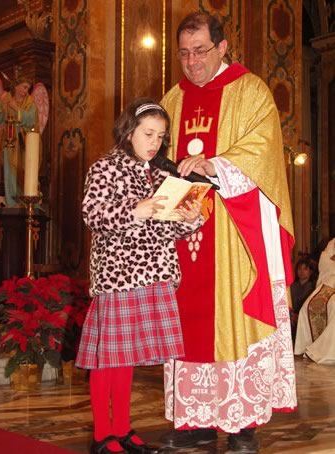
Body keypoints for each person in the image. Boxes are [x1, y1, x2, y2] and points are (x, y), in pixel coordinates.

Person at [160, 11, 297, 454]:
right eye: (183, 53)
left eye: (200, 51)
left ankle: (240, 427)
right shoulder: (172, 100)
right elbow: (152, 153)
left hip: (232, 236)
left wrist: (212, 165)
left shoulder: (251, 91)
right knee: (185, 324)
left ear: (222, 47)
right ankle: (197, 422)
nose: (192, 62)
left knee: (232, 318)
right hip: (184, 236)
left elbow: (262, 151)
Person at [75, 98, 203, 454]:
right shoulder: (106, 167)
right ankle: (103, 435)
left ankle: (123, 428)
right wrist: (136, 209)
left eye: (160, 137)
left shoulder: (162, 173)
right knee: (109, 357)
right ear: (128, 130)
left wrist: (189, 216)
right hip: (119, 275)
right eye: (148, 134)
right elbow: (93, 215)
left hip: (154, 273)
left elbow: (167, 229)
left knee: (126, 357)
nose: (154, 143)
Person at [0, 76, 38, 206]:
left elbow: (31, 120)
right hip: (9, 142)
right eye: (24, 87)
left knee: (24, 170)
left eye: (28, 88)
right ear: (16, 86)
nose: (26, 91)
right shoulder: (6, 100)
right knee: (9, 172)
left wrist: (16, 109)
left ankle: (25, 202)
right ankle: (11, 201)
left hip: (25, 142)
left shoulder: (30, 103)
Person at [295, 239, 335, 364]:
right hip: (330, 282)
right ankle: (303, 346)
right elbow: (324, 261)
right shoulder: (333, 243)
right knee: (306, 307)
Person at [290, 256, 317, 343]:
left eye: (305, 269)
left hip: (305, 317)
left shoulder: (313, 287)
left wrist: (298, 316)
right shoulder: (292, 286)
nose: (301, 272)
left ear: (311, 272)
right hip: (292, 316)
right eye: (299, 269)